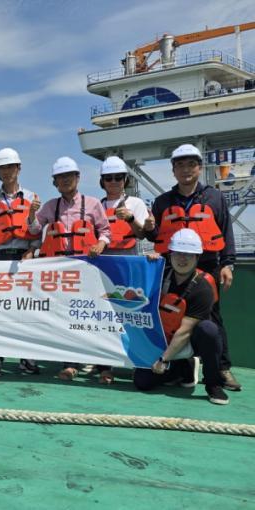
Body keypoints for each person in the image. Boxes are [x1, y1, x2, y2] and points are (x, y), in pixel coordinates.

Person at [143, 143, 240, 391]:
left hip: (207, 263)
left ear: (199, 168)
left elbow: (226, 231)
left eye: (191, 165)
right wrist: (148, 228)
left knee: (213, 318)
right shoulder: (163, 202)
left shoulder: (214, 197)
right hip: (172, 266)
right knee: (170, 315)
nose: (186, 170)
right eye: (180, 165)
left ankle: (221, 369)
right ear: (173, 170)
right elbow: (156, 236)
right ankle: (179, 366)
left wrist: (227, 263)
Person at [27, 156, 111, 382]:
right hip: (62, 273)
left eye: (69, 176)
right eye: (60, 177)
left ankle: (104, 367)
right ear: (54, 182)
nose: (65, 180)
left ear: (77, 177)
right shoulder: (49, 206)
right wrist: (31, 214)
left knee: (94, 316)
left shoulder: (93, 204)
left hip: (88, 269)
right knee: (67, 317)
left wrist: (100, 244)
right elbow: (34, 230)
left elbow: (105, 231)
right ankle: (70, 364)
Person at [134, 229, 229, 405]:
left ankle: (213, 384)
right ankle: (183, 368)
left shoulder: (203, 287)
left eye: (188, 255)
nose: (182, 259)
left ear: (197, 257)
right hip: (163, 336)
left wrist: (163, 360)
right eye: (178, 253)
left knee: (209, 330)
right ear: (170, 255)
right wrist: (148, 263)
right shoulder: (160, 274)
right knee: (142, 382)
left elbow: (185, 331)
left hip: (188, 339)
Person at [0, 147, 41, 377]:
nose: (6, 172)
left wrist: (31, 249)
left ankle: (27, 358)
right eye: (1, 168)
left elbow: (36, 231)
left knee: (25, 310)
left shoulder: (31, 198)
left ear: (18, 168)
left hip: (23, 258)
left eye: (10, 167)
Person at [99, 156, 148, 255]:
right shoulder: (97, 206)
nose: (113, 181)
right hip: (103, 260)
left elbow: (142, 235)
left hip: (128, 259)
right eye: (108, 178)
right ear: (102, 181)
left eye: (118, 177)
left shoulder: (136, 203)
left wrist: (131, 219)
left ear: (125, 179)